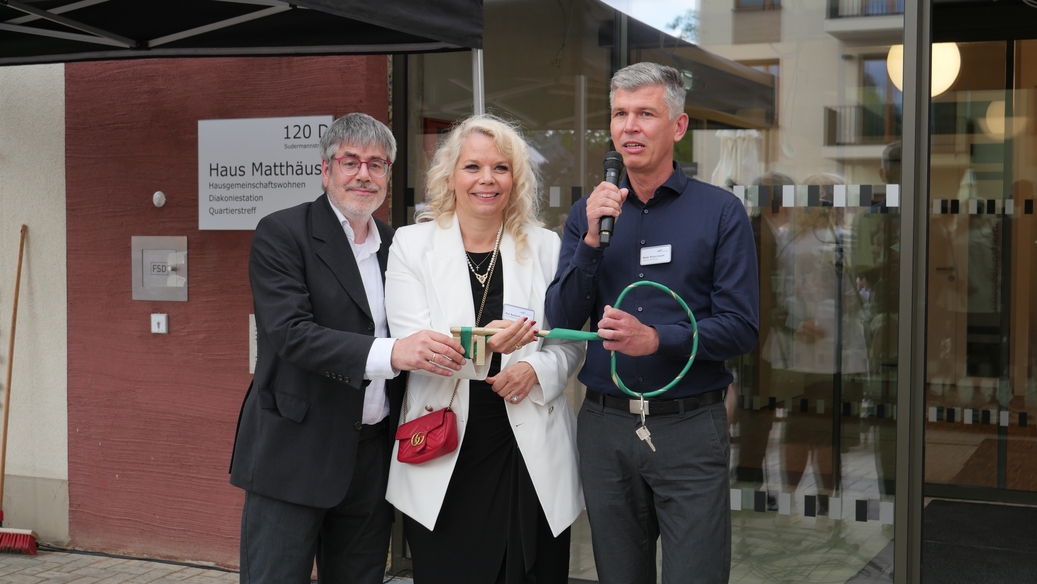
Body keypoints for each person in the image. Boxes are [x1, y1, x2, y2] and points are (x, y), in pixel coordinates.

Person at [229, 113, 467, 584]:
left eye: (376, 164)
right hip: (294, 451)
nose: (364, 174)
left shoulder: (397, 245)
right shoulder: (283, 232)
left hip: (371, 457)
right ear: (325, 169)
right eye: (350, 161)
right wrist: (392, 353)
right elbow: (291, 333)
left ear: (388, 175)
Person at [545, 62, 760, 583]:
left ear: (678, 126)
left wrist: (659, 339)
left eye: (645, 113)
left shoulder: (721, 212)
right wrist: (590, 241)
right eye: (620, 114)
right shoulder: (588, 213)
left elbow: (741, 327)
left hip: (690, 427)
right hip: (604, 428)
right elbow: (562, 317)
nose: (629, 127)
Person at [384, 114, 586, 584]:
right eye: (473, 167)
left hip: (529, 446)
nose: (487, 179)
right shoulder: (411, 245)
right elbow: (414, 346)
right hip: (446, 445)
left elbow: (569, 343)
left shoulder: (546, 246)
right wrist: (484, 345)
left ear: (516, 179)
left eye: (501, 167)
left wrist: (536, 370)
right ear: (450, 176)